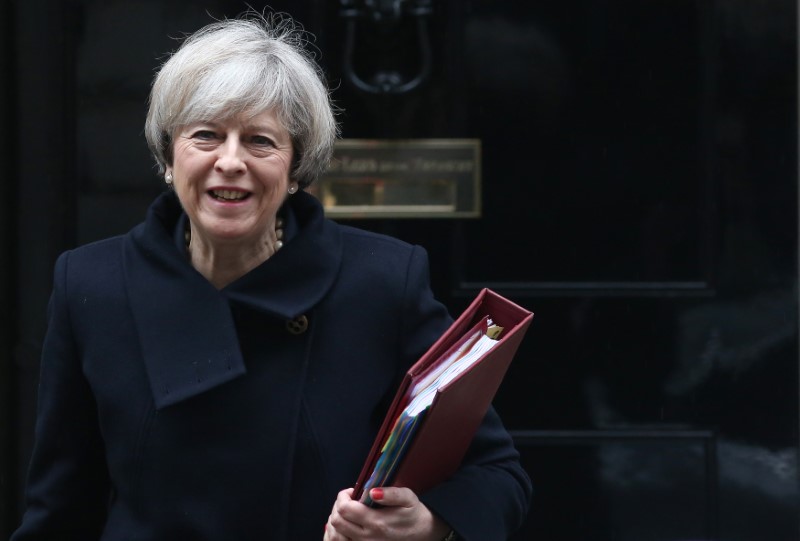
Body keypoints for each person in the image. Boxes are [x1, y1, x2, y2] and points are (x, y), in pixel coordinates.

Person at [11, 11, 532, 541]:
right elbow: (61, 509)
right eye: (206, 136)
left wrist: (427, 523)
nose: (231, 161)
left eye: (260, 141)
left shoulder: (380, 282)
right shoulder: (92, 286)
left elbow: (496, 474)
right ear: (168, 157)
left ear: (296, 169)